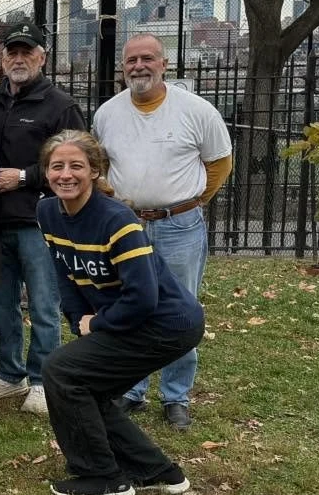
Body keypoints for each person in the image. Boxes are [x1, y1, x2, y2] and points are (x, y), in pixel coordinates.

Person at [36, 130, 201, 495]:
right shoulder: (48, 212)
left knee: (61, 372)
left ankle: (103, 477)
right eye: (56, 166)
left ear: (95, 171)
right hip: (131, 318)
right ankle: (157, 472)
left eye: (76, 166)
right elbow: (67, 275)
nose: (66, 174)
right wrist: (81, 322)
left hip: (167, 324)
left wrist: (98, 324)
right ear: (45, 172)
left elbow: (143, 298)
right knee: (83, 384)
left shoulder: (117, 220)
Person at [92, 34, 233, 429]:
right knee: (129, 306)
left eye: (147, 58)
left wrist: (189, 201)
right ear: (123, 68)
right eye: (131, 60)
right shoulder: (107, 114)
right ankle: (133, 390)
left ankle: (176, 396)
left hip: (178, 225)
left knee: (180, 310)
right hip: (127, 226)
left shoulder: (196, 111)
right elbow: (97, 164)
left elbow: (220, 164)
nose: (139, 66)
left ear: (164, 63)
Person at [0, 25, 86, 415]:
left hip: (40, 223)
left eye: (27, 53)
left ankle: (42, 379)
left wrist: (23, 177)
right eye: (12, 54)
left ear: (42, 58)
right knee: (2, 303)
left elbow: (78, 164)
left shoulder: (60, 106)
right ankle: (10, 374)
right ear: (3, 60)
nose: (19, 60)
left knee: (43, 305)